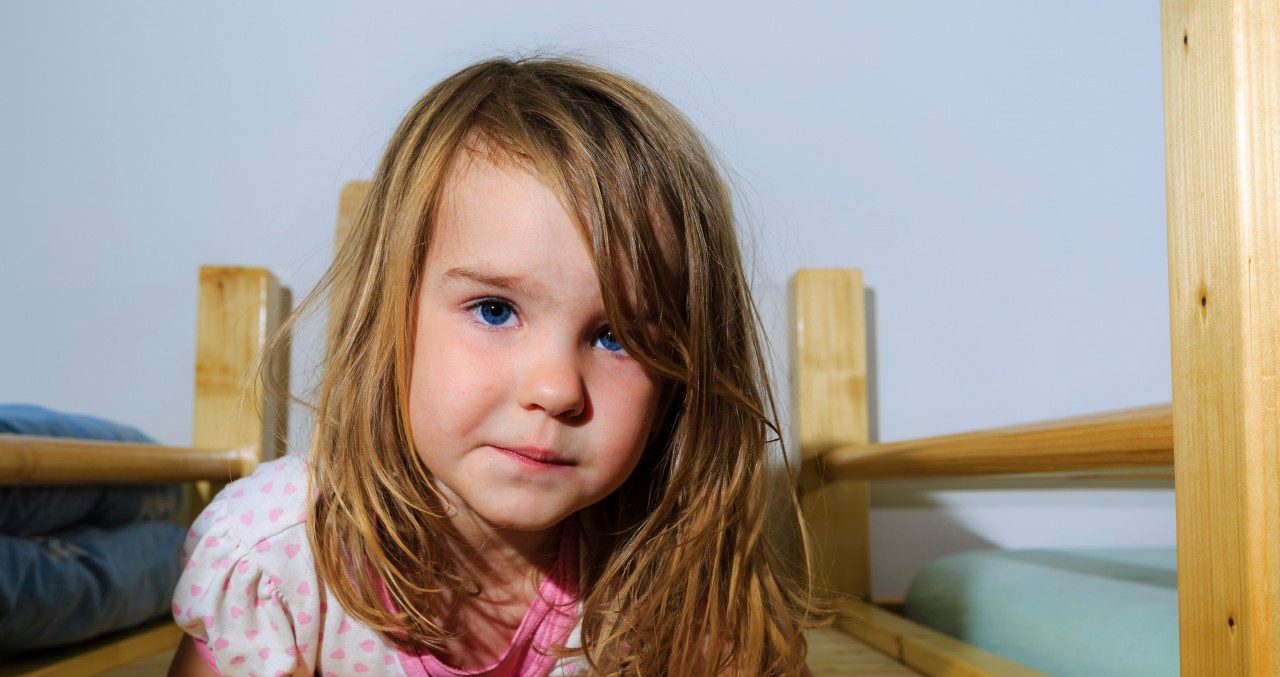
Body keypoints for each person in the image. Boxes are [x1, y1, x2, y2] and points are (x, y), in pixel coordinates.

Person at [168, 55, 828, 676]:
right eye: (494, 310)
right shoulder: (280, 557)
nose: (556, 389)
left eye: (619, 337)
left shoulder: (673, 583)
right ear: (390, 314)